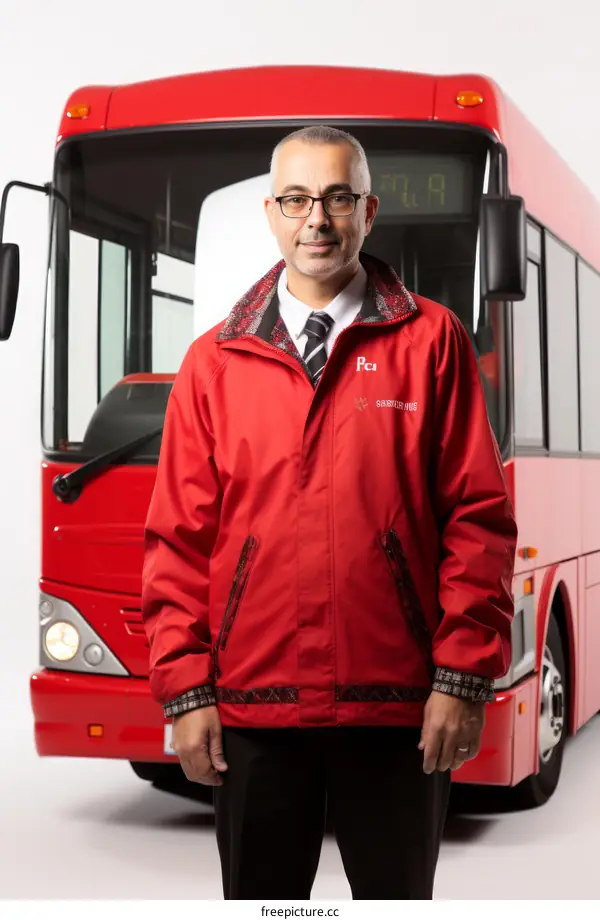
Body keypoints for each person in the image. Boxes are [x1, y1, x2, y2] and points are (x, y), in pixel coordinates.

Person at [141, 126, 517, 900]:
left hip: (398, 709)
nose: (317, 218)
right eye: (296, 199)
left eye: (338, 198)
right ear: (271, 214)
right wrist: (186, 691)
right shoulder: (214, 362)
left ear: (369, 212)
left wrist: (461, 677)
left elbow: (476, 520)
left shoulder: (431, 340)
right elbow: (178, 540)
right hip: (250, 711)